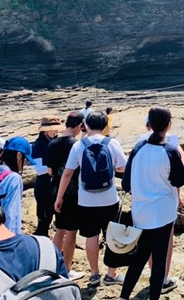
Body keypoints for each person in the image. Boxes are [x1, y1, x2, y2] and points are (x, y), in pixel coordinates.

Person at [118, 106, 184, 300]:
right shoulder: (170, 151)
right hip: (163, 213)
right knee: (159, 261)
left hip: (141, 211)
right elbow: (180, 180)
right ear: (169, 125)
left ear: (148, 125)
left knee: (139, 257)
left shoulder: (138, 149)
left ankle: (124, 296)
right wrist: (182, 164)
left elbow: (125, 183)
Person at [54, 111, 127, 287]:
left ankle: (94, 274)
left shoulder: (79, 145)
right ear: (104, 126)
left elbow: (67, 173)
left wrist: (59, 196)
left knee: (91, 236)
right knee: (111, 236)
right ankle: (112, 274)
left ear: (86, 126)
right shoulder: (112, 143)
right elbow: (123, 167)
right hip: (109, 198)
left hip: (86, 201)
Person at [135, 115, 184, 292]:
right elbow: (180, 172)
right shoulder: (170, 143)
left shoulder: (139, 144)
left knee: (146, 245)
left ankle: (152, 276)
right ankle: (163, 279)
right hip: (164, 203)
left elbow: (128, 179)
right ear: (169, 125)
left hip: (142, 204)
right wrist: (179, 193)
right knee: (165, 241)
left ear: (148, 125)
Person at [46, 112, 85, 281]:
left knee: (59, 229)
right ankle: (67, 269)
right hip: (71, 190)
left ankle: (55, 266)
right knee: (71, 232)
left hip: (54, 188)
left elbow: (49, 170)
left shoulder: (52, 143)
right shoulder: (75, 145)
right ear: (78, 126)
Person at [0, 137, 36, 235]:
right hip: (5, 237)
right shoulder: (14, 178)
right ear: (18, 156)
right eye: (25, 160)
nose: (25, 164)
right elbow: (12, 215)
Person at [32, 117, 62, 237]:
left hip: (53, 184)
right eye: (53, 130)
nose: (55, 132)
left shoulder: (55, 142)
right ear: (45, 131)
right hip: (44, 185)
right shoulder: (38, 145)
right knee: (44, 218)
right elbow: (39, 170)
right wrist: (53, 168)